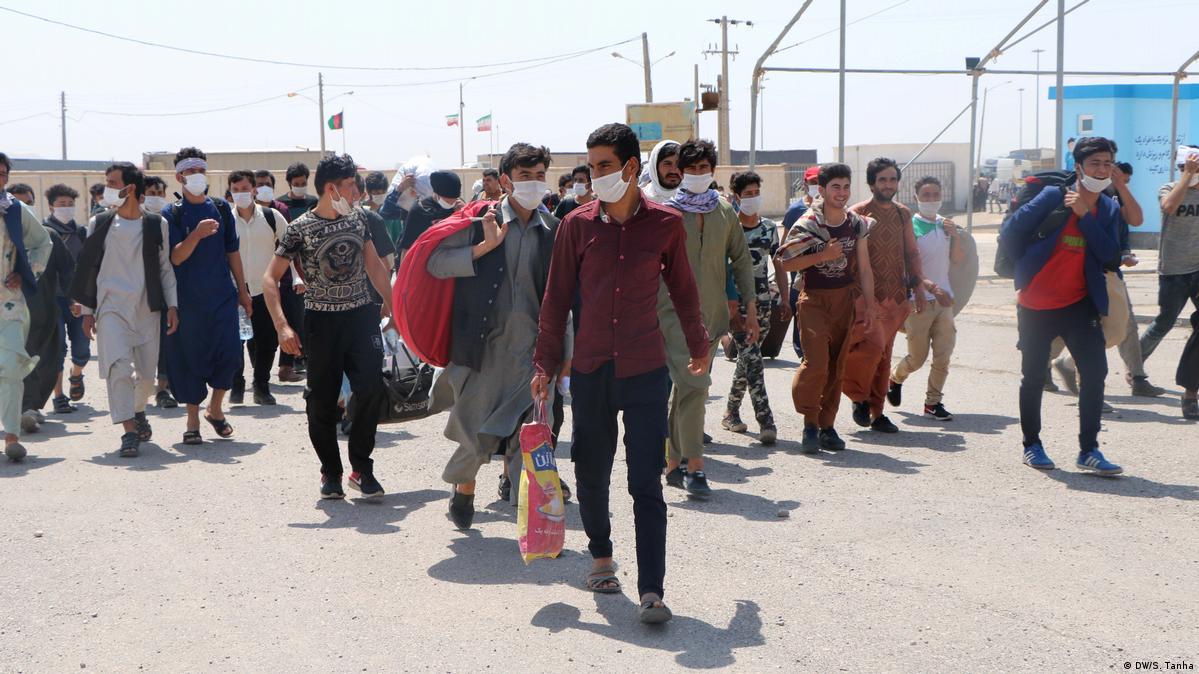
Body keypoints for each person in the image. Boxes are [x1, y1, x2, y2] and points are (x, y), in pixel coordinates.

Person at [533, 122, 709, 625]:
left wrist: (698, 345)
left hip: (646, 368)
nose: (596, 175)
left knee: (645, 479)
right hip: (590, 368)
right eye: (592, 166)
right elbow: (556, 299)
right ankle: (601, 557)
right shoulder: (577, 226)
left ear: (632, 168)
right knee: (591, 470)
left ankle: (652, 590)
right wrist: (545, 362)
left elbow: (684, 291)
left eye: (605, 166)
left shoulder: (665, 225)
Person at [427, 143, 563, 530]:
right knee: (475, 430)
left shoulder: (554, 231)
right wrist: (484, 248)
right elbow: (435, 264)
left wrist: (565, 352)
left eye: (540, 176)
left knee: (535, 434)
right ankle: (464, 489)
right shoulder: (476, 222)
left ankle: (532, 519)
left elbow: (564, 297)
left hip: (535, 354)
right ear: (505, 181)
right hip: (485, 350)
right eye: (525, 177)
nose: (534, 184)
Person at [264, 153, 394, 500]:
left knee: (370, 391)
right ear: (332, 188)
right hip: (321, 322)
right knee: (321, 401)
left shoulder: (360, 219)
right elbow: (270, 279)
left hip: (361, 317)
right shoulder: (300, 228)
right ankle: (331, 472)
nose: (357, 192)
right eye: (352, 186)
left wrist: (394, 307)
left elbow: (376, 268)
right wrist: (282, 327)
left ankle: (361, 468)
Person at [1000, 136, 1123, 476]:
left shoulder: (1108, 207)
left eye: (1107, 163)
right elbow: (1009, 233)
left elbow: (1109, 254)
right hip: (1036, 303)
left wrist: (1085, 216)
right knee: (1034, 375)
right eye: (1095, 163)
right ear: (1079, 167)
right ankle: (1032, 444)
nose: (1102, 169)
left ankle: (1089, 449)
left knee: (1096, 372)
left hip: (1079, 303)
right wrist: (1025, 270)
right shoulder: (1053, 197)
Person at [659, 139, 756, 498]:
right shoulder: (665, 213)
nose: (698, 174)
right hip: (672, 315)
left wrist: (748, 306)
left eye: (704, 168)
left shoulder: (725, 212)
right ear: (679, 171)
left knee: (687, 389)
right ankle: (695, 468)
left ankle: (672, 462)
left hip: (713, 317)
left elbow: (741, 259)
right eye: (692, 168)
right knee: (697, 386)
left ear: (712, 171)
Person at [69, 162, 179, 457]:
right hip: (111, 309)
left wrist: (172, 305)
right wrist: (88, 310)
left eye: (113, 183)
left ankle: (138, 409)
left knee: (145, 377)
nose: (107, 188)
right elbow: (91, 268)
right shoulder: (101, 223)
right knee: (118, 368)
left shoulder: (157, 224)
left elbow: (165, 268)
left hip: (147, 310)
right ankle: (129, 431)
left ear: (130, 188)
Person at [776, 163, 875, 453]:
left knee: (836, 366)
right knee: (816, 364)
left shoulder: (856, 224)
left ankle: (827, 426)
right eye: (835, 187)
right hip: (814, 300)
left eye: (846, 187)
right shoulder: (807, 223)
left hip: (844, 301)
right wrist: (823, 253)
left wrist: (869, 306)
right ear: (822, 190)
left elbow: (866, 269)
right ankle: (810, 422)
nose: (842, 193)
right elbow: (785, 261)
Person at [1052, 160, 1165, 399]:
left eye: (1125, 179)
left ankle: (1137, 377)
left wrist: (1123, 253)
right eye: (1120, 177)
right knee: (1076, 329)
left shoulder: (1117, 198)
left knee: (1124, 325)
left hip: (1111, 272)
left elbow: (1129, 225)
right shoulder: (1085, 197)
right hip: (1084, 274)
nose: (1120, 181)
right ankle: (1052, 368)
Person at [161, 147, 252, 445]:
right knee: (191, 360)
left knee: (229, 355)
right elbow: (175, 258)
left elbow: (233, 252)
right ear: (179, 177)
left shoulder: (221, 208)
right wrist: (196, 235)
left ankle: (215, 408)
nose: (196, 176)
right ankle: (192, 420)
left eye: (200, 170)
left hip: (223, 297)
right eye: (189, 172)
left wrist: (243, 290)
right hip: (189, 301)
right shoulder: (171, 214)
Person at [842, 157, 927, 435]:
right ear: (871, 183)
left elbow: (911, 252)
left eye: (892, 179)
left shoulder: (903, 214)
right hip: (866, 299)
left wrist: (918, 288)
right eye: (882, 180)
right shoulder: (857, 213)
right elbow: (848, 258)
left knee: (884, 356)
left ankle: (877, 412)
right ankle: (859, 397)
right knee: (865, 352)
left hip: (895, 299)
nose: (888, 185)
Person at [888, 176, 964, 420]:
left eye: (935, 195)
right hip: (919, 300)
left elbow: (958, 260)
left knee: (943, 356)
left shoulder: (946, 225)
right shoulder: (911, 226)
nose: (931, 200)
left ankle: (933, 403)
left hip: (944, 302)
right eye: (926, 195)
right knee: (917, 358)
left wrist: (956, 236)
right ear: (916, 198)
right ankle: (895, 377)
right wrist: (925, 286)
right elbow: (904, 267)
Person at [722, 170, 787, 444]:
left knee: (749, 360)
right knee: (753, 361)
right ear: (736, 197)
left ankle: (731, 412)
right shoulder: (728, 228)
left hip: (763, 304)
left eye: (755, 193)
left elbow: (779, 263)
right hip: (737, 306)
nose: (753, 198)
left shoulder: (770, 228)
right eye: (747, 194)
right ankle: (766, 421)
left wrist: (785, 297)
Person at [228, 170, 297, 406]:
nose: (241, 194)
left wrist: (297, 277)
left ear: (253, 190)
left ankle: (261, 385)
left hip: (265, 290)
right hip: (235, 291)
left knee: (267, 340)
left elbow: (292, 245)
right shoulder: (225, 218)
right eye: (235, 190)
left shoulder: (271, 216)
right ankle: (236, 383)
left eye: (245, 189)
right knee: (236, 340)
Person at [1, 151, 54, 461]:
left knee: (9, 368)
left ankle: (11, 437)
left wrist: (26, 271)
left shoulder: (14, 210)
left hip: (7, 303)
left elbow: (42, 242)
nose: (1, 179)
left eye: (4, 173)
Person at [1140, 147, 1199, 364]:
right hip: (1173, 271)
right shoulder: (1169, 188)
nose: (1190, 170)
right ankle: (1135, 366)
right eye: (1184, 167)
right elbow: (1169, 206)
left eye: (1193, 166)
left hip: (1197, 268)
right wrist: (1187, 177)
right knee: (1165, 322)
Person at [20, 208, 71, 429]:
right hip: (12, 313)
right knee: (22, 357)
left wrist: (74, 299)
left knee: (51, 358)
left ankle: (32, 405)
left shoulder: (49, 236)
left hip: (46, 310)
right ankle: (26, 407)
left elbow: (68, 269)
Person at [42, 184, 90, 411]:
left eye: (70, 204)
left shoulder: (81, 232)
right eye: (62, 205)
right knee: (58, 349)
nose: (67, 209)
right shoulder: (42, 232)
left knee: (82, 349)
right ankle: (59, 396)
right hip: (52, 300)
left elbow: (88, 266)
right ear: (51, 206)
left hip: (78, 299)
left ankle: (77, 374)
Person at [143, 176, 177, 408]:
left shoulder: (170, 220)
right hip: (136, 292)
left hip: (164, 289)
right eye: (150, 193)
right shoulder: (132, 221)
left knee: (166, 343)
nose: (155, 197)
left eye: (159, 193)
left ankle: (163, 387)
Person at [396, 170, 463, 256]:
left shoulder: (459, 206)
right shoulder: (420, 210)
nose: (451, 203)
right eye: (447, 200)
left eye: (454, 199)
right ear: (437, 194)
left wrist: (463, 212)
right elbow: (407, 246)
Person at [364, 170, 403, 249]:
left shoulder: (390, 211)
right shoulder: (363, 210)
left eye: (383, 192)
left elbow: (397, 237)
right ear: (369, 192)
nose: (380, 195)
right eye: (377, 193)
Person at [640, 141, 681, 205]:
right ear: (655, 167)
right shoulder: (640, 200)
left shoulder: (693, 200)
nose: (674, 170)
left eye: (678, 164)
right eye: (667, 164)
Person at [782, 166, 820, 230]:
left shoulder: (831, 208)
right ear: (805, 184)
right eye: (813, 182)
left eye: (821, 182)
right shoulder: (795, 210)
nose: (818, 186)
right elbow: (786, 238)